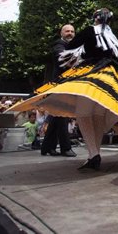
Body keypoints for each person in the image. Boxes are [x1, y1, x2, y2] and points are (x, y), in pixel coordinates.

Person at [10, 8, 118, 171]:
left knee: (83, 114)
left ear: (95, 19)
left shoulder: (90, 31)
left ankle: (94, 155)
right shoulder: (111, 36)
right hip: (109, 76)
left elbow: (71, 45)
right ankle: (95, 154)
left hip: (92, 73)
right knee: (98, 115)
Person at [41, 24, 76, 157]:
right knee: (62, 116)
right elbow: (62, 58)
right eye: (67, 31)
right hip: (60, 85)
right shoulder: (59, 45)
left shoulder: (73, 46)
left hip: (66, 84)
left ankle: (47, 147)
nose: (70, 33)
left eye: (72, 31)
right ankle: (65, 148)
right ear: (61, 33)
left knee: (57, 116)